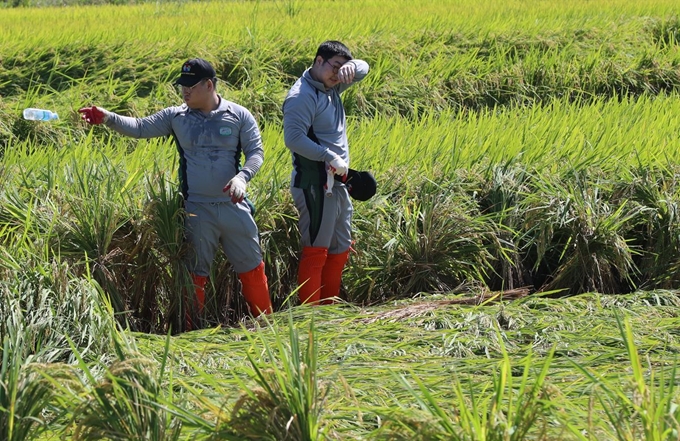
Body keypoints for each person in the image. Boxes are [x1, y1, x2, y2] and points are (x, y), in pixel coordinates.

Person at [78, 58, 273, 329]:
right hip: (198, 210)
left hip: (233, 205)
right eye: (182, 86)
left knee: (252, 266)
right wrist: (109, 118)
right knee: (195, 273)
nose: (185, 91)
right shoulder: (176, 117)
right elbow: (141, 127)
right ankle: (193, 333)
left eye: (191, 86)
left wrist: (242, 178)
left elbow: (256, 153)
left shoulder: (239, 115)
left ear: (209, 85)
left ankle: (266, 325)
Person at [282, 40, 370, 305]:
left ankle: (329, 310)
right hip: (315, 184)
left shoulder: (333, 84)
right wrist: (328, 156)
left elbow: (365, 69)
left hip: (339, 182)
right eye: (335, 66)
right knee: (317, 249)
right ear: (318, 61)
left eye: (343, 68)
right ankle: (311, 317)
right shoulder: (302, 96)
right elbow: (293, 138)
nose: (338, 73)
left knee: (341, 247)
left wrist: (352, 67)